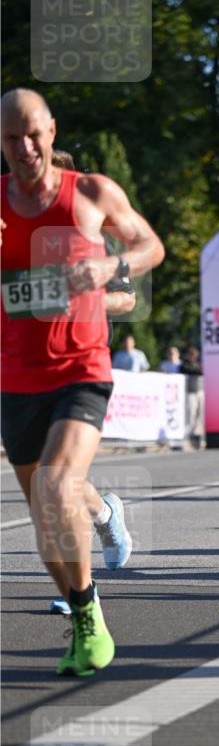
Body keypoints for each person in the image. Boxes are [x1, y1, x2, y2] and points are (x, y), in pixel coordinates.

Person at [0, 87, 164, 675]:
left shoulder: (91, 192)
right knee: (45, 521)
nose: (24, 147)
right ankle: (82, 608)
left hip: (80, 369)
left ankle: (89, 616)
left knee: (57, 483)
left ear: (51, 130)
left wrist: (107, 264)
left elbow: (150, 245)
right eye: (11, 138)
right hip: (16, 377)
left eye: (32, 134)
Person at [48, 148, 137, 615]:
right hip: (26, 368)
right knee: (58, 478)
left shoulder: (94, 238)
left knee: (57, 480)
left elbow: (126, 298)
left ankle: (77, 590)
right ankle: (105, 515)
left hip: (81, 366)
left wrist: (89, 298)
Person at [180, 345, 205, 449]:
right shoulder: (184, 365)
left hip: (200, 391)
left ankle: (199, 437)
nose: (193, 357)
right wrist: (198, 370)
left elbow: (201, 372)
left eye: (194, 355)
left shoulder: (198, 364)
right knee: (191, 415)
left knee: (200, 416)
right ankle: (187, 437)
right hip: (190, 392)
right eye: (191, 355)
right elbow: (191, 371)